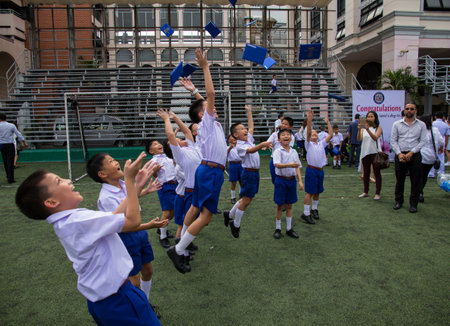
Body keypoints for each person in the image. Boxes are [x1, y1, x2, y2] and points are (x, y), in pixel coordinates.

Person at [15, 153, 161, 325]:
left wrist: (136, 186)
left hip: (106, 300)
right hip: (118, 299)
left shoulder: (69, 220)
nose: (68, 180)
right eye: (59, 181)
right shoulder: (78, 221)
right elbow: (132, 221)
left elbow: (115, 215)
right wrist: (129, 180)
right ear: (52, 202)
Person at [167, 49, 227, 274]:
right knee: (207, 215)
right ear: (204, 114)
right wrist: (205, 67)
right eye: (208, 109)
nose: (213, 108)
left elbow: (204, 100)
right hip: (211, 171)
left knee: (194, 206)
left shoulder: (208, 123)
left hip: (206, 170)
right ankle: (178, 249)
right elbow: (210, 97)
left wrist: (194, 91)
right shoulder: (208, 122)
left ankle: (181, 242)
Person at [86, 153, 166, 318]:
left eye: (114, 159)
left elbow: (130, 197)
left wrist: (144, 190)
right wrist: (149, 226)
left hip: (139, 234)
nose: (116, 162)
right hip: (127, 237)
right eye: (110, 161)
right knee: (134, 281)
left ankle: (145, 302)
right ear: (102, 174)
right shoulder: (106, 197)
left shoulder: (122, 184)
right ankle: (140, 308)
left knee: (148, 271)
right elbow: (121, 227)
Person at [157, 108, 202, 263]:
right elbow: (170, 136)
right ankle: (182, 252)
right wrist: (166, 119)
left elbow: (188, 132)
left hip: (197, 190)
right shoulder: (180, 155)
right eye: (175, 142)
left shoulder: (192, 147)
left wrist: (175, 117)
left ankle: (183, 246)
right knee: (186, 223)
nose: (180, 139)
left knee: (190, 222)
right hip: (189, 191)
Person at [223, 105, 272, 238]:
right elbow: (251, 151)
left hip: (254, 173)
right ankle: (236, 224)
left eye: (244, 128)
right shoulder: (240, 145)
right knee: (246, 200)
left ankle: (229, 214)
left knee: (246, 198)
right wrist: (263, 144)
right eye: (241, 129)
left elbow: (251, 127)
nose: (245, 130)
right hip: (249, 173)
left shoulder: (248, 139)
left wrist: (249, 112)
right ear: (235, 135)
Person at [390, 101, 428, 213]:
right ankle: (398, 201)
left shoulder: (421, 125)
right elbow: (393, 140)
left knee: (415, 181)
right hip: (400, 155)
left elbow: (423, 140)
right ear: (404, 110)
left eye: (412, 109)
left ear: (416, 111)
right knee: (399, 180)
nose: (409, 111)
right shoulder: (397, 124)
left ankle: (413, 204)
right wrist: (399, 153)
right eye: (407, 109)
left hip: (414, 155)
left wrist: (412, 152)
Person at [301, 109, 333, 224]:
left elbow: (331, 134)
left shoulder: (321, 143)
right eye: (313, 133)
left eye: (316, 133)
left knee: (318, 191)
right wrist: (309, 119)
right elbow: (308, 132)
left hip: (320, 171)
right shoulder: (308, 144)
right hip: (312, 170)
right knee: (309, 192)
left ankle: (314, 209)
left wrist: (328, 122)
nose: (314, 134)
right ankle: (306, 213)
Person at [145, 139, 177, 248]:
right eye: (154, 144)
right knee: (167, 211)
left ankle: (161, 227)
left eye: (158, 143)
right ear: (151, 151)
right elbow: (152, 175)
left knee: (173, 210)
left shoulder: (167, 156)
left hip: (175, 184)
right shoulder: (154, 161)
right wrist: (155, 170)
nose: (158, 144)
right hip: (165, 186)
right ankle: (163, 236)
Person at [272, 129, 304, 239]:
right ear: (279, 139)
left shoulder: (294, 152)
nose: (286, 136)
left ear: (291, 138)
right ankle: (278, 228)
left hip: (291, 181)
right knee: (280, 205)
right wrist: (289, 165)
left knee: (290, 205)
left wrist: (300, 181)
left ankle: (289, 229)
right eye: (283, 135)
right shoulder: (277, 151)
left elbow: (297, 167)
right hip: (281, 180)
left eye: (288, 135)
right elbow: (277, 165)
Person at [357, 111, 383, 200]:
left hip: (375, 152)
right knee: (366, 173)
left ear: (375, 118)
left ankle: (377, 193)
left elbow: (375, 137)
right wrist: (359, 129)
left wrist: (367, 129)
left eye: (371, 116)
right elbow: (359, 139)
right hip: (365, 152)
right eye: (368, 116)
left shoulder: (378, 128)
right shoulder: (363, 129)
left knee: (377, 173)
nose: (369, 118)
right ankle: (365, 191)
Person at [418, 115, 444, 202]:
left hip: (421, 156)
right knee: (424, 175)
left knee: (418, 176)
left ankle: (419, 192)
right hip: (431, 157)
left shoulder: (420, 130)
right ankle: (420, 191)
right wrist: (440, 147)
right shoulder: (435, 130)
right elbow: (442, 141)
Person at [0, 113, 28, 183]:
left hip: (1, 144)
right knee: (10, 161)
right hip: (10, 144)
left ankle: (7, 175)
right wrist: (24, 142)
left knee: (5, 160)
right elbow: (18, 134)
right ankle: (10, 178)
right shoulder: (11, 125)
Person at [267, 116, 295, 183]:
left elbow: (288, 147)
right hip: (274, 160)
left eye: (285, 124)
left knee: (285, 180)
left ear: (291, 127)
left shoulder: (291, 137)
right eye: (282, 123)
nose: (283, 125)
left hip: (285, 161)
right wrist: (267, 145)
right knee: (276, 182)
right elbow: (268, 142)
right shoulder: (274, 134)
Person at [428, 112, 448, 177]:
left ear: (435, 117)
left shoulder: (433, 123)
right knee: (441, 158)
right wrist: (445, 146)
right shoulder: (445, 125)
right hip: (442, 142)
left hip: (434, 142)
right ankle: (441, 172)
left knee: (432, 157)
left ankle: (431, 173)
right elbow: (447, 136)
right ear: (442, 117)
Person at [227, 134, 242, 204]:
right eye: (231, 138)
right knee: (233, 182)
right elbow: (225, 154)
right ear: (229, 140)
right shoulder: (227, 147)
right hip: (232, 164)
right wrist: (230, 148)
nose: (233, 139)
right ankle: (233, 197)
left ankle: (241, 195)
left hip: (240, 164)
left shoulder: (239, 147)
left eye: (234, 138)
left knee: (241, 181)